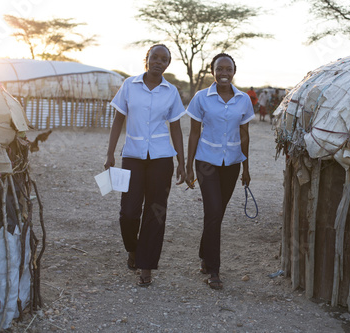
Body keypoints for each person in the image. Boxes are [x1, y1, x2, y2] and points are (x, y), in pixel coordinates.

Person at [104, 44, 186, 287]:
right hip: (132, 157)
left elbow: (176, 128)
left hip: (162, 159)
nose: (158, 62)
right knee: (128, 212)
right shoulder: (129, 85)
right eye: (154, 57)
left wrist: (181, 161)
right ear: (146, 59)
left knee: (156, 212)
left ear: (168, 64)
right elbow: (119, 119)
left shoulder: (171, 92)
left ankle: (146, 265)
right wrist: (110, 153)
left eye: (164, 59)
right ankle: (132, 249)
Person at [185, 53, 254, 290]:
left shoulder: (244, 99)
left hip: (232, 163)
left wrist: (246, 167)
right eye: (220, 69)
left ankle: (205, 253)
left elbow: (244, 134)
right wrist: (187, 164)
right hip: (206, 162)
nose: (224, 73)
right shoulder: (201, 98)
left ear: (234, 71)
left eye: (229, 69)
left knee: (217, 213)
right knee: (213, 210)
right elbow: (194, 133)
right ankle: (213, 270)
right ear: (212, 71)